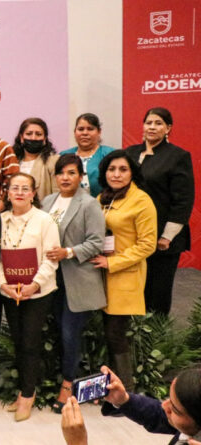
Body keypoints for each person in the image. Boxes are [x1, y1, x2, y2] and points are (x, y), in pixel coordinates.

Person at [41, 154, 106, 413]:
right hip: (51, 278)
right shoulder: (48, 201)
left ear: (81, 176)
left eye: (71, 173)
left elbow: (96, 242)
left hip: (77, 279)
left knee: (70, 334)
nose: (65, 178)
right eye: (61, 173)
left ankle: (68, 386)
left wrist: (67, 252)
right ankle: (68, 378)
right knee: (58, 332)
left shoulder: (89, 204)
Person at [88, 150, 157, 395]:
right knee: (105, 333)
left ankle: (126, 392)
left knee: (116, 334)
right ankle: (108, 387)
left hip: (124, 274)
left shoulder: (141, 200)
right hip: (100, 273)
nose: (116, 174)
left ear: (132, 173)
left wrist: (113, 262)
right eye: (111, 169)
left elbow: (147, 245)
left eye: (123, 169)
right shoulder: (103, 197)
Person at [0, 172, 60, 422]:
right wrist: (3, 284)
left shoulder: (45, 220)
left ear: (33, 193)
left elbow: (51, 260)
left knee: (30, 342)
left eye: (25, 188)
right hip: (11, 292)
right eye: (15, 188)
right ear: (8, 193)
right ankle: (23, 390)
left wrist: (34, 285)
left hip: (38, 292)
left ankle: (28, 395)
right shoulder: (0, 220)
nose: (19, 193)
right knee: (18, 341)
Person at [124, 107, 194, 315]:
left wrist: (167, 236)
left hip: (162, 238)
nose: (152, 127)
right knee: (134, 289)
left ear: (168, 128)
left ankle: (156, 334)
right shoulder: (129, 153)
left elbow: (183, 200)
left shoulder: (178, 156)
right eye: (149, 123)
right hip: (133, 235)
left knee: (158, 292)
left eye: (158, 123)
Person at [62, 365, 201, 445]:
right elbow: (158, 415)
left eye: (174, 410)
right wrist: (123, 400)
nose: (164, 406)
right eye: (169, 399)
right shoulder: (190, 426)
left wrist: (78, 443)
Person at [63, 113, 117, 197]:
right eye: (81, 129)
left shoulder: (110, 155)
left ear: (99, 131)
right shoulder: (64, 156)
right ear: (75, 132)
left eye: (90, 129)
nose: (85, 133)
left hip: (104, 203)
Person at [12, 117, 58, 201]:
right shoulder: (12, 160)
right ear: (21, 138)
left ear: (45, 139)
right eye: (29, 134)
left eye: (38, 134)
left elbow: (57, 195)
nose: (33, 138)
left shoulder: (54, 161)